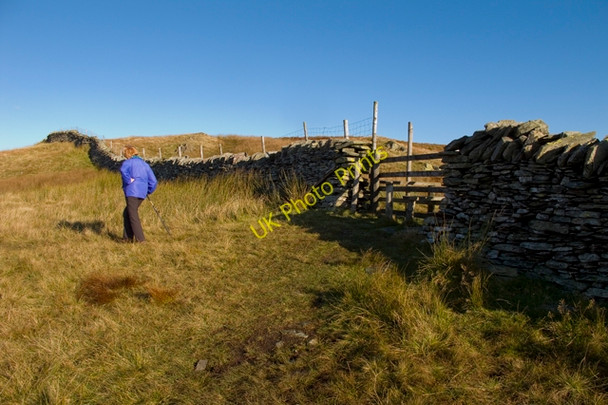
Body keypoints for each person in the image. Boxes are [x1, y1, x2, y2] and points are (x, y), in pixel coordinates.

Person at [120, 145, 158, 243]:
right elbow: (153, 181)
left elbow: (123, 171)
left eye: (125, 154)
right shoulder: (145, 164)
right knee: (127, 213)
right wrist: (148, 191)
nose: (124, 156)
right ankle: (127, 238)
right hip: (142, 193)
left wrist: (128, 180)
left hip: (131, 192)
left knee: (133, 215)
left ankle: (141, 239)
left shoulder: (127, 163)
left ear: (128, 153)